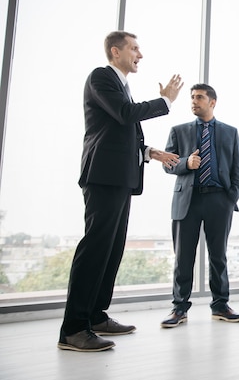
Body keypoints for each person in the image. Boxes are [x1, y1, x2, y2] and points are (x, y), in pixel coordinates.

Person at [58, 31, 184, 352]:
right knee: (96, 248)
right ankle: (74, 328)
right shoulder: (101, 77)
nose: (139, 54)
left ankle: (96, 315)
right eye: (134, 48)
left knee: (111, 250)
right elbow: (125, 116)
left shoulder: (122, 86)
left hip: (120, 177)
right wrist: (166, 100)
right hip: (103, 176)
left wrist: (150, 152)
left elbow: (120, 132)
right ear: (116, 52)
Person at [160, 83, 239, 328]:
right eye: (192, 98)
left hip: (220, 200)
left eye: (199, 97)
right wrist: (187, 163)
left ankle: (220, 305)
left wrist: (231, 200)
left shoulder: (231, 132)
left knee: (219, 256)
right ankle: (179, 309)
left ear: (212, 102)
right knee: (183, 257)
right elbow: (167, 164)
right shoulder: (178, 131)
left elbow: (237, 170)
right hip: (188, 200)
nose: (194, 101)